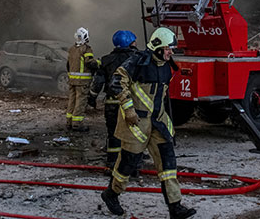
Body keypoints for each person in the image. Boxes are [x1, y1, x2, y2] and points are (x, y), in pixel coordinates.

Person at [100, 27, 196, 219]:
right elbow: (117, 81)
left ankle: (175, 207)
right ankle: (112, 193)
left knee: (168, 164)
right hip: (137, 123)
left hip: (158, 122)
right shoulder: (138, 61)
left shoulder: (166, 65)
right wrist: (128, 108)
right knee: (128, 163)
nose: (171, 52)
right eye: (168, 48)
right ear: (158, 48)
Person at [89, 30, 139, 168]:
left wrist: (92, 97)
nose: (136, 44)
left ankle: (112, 162)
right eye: (134, 41)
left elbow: (98, 82)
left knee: (113, 134)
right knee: (133, 134)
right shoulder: (136, 59)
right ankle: (133, 165)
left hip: (111, 103)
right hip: (131, 103)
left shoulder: (106, 60)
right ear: (129, 43)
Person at [66, 27, 98, 131]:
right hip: (82, 82)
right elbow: (89, 62)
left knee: (72, 101)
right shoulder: (86, 49)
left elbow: (68, 65)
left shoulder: (72, 49)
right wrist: (98, 63)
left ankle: (69, 122)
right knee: (80, 102)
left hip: (72, 81)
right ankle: (77, 124)